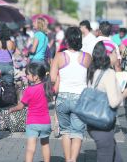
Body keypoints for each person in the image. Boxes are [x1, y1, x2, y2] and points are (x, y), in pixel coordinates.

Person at [50, 27, 91, 162]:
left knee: (65, 131)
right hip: (80, 98)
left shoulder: (60, 56)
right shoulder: (87, 57)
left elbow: (52, 78)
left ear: (67, 39)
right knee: (77, 132)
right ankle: (72, 160)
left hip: (63, 97)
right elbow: (90, 77)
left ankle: (68, 159)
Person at [87, 41, 123, 162]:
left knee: (116, 158)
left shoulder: (93, 70)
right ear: (107, 55)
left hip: (93, 122)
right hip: (103, 125)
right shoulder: (109, 73)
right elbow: (114, 102)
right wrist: (124, 93)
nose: (117, 56)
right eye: (114, 53)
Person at [9, 62, 53, 162]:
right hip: (45, 122)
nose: (26, 76)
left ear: (36, 76)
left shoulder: (29, 90)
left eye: (28, 74)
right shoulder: (47, 87)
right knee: (45, 145)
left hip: (33, 122)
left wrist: (12, 109)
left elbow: (20, 106)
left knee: (30, 148)